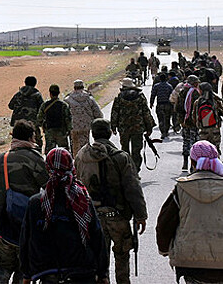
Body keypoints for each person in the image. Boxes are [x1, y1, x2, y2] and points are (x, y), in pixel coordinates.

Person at [20, 148, 109, 284]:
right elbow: (97, 237)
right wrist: (103, 273)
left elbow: (26, 241)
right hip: (82, 272)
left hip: (49, 274)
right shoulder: (82, 199)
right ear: (71, 167)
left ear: (48, 169)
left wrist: (26, 274)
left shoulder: (36, 203)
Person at [75, 119, 148, 284]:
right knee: (122, 257)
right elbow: (133, 189)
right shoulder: (121, 157)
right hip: (118, 217)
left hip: (92, 218)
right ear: (109, 133)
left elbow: (77, 186)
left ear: (93, 134)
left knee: (98, 262)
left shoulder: (81, 156)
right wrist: (140, 215)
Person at [0, 119, 49, 283]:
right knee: (24, 270)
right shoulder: (36, 160)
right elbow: (50, 188)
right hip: (27, 227)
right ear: (32, 137)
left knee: (1, 268)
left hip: (2, 227)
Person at [156, 140, 223, 284]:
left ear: (193, 162)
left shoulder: (182, 188)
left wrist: (164, 249)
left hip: (191, 265)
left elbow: (165, 223)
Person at [111, 78, 155, 171]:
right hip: (138, 128)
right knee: (136, 151)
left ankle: (127, 170)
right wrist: (149, 127)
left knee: (124, 150)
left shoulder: (119, 97)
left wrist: (113, 127)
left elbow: (115, 113)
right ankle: (135, 170)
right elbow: (146, 112)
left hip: (123, 128)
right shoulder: (140, 96)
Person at [64, 79, 103, 157]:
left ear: (74, 87)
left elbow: (64, 115)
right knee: (85, 146)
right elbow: (98, 114)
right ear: (83, 86)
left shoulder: (68, 100)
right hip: (86, 127)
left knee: (75, 146)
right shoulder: (89, 98)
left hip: (73, 127)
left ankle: (76, 163)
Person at [8, 76, 44, 148]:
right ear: (35, 84)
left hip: (18, 124)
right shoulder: (37, 95)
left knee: (16, 143)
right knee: (37, 144)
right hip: (32, 124)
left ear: (25, 83)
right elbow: (42, 109)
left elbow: (10, 106)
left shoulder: (18, 94)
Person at [37, 84, 72, 154]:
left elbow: (39, 119)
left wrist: (43, 126)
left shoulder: (45, 105)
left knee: (50, 153)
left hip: (49, 132)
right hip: (61, 132)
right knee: (64, 153)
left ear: (50, 93)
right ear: (58, 93)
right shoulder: (64, 105)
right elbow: (68, 119)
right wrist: (69, 130)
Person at [176, 75, 201, 171]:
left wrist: (181, 121)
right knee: (194, 143)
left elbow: (178, 108)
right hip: (193, 122)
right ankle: (192, 165)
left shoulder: (182, 92)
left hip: (184, 122)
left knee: (185, 141)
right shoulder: (195, 93)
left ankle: (185, 163)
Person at [192, 82, 223, 155]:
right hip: (215, 130)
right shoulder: (216, 101)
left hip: (203, 130)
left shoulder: (198, 102)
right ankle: (215, 164)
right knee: (215, 150)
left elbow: (194, 116)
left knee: (204, 151)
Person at [150, 73, 174, 139]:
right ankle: (166, 131)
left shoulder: (156, 86)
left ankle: (162, 131)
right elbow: (172, 95)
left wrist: (151, 103)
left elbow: (153, 95)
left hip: (160, 104)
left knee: (160, 118)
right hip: (167, 104)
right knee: (167, 118)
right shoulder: (169, 86)